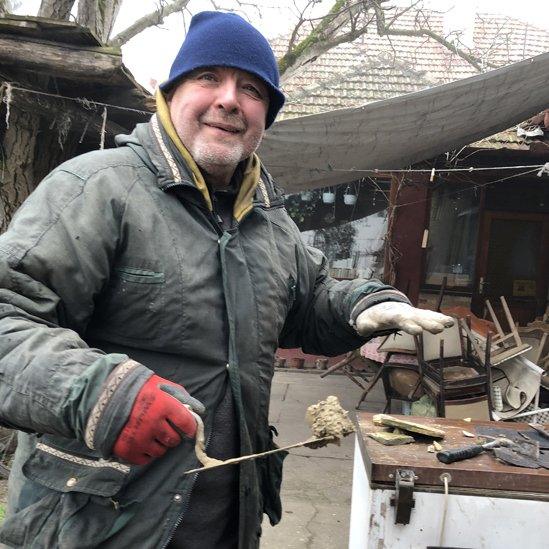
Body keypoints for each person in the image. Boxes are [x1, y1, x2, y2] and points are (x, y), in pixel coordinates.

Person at [0, 11, 453, 549]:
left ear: (266, 116)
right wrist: (99, 393)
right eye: (208, 78)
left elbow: (305, 307)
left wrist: (361, 307)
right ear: (170, 94)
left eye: (252, 89)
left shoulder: (269, 220)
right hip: (97, 522)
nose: (230, 100)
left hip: (226, 520)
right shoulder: (97, 189)